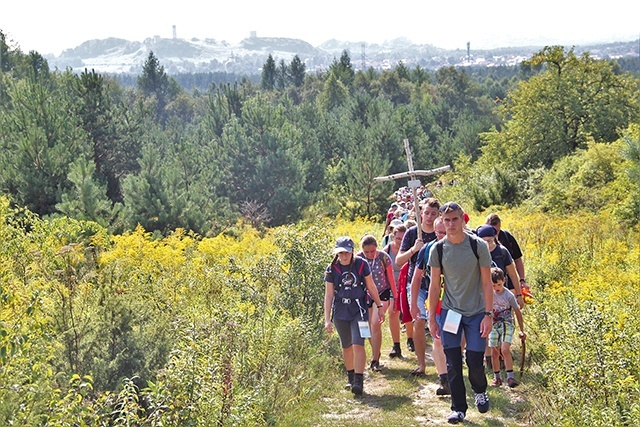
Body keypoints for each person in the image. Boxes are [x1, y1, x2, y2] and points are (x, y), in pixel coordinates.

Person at [427, 202, 493, 424]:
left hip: (476, 312)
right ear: (442, 223)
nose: (451, 224)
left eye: (455, 219)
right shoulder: (437, 249)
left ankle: (480, 390)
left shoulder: (478, 246)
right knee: (453, 361)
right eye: (446, 220)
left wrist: (488, 314)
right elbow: (434, 286)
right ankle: (458, 408)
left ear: (463, 220)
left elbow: (487, 283)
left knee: (474, 360)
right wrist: (431, 318)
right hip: (450, 312)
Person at [324, 236, 385, 396]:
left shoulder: (361, 264)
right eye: (341, 253)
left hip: (359, 309)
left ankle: (359, 380)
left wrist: (379, 306)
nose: (344, 256)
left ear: (352, 251)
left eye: (347, 252)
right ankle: (350, 376)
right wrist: (327, 319)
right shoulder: (331, 268)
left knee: (359, 343)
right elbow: (329, 295)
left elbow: (371, 286)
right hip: (340, 311)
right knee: (347, 345)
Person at [396, 197, 440, 376]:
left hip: (439, 285)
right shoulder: (413, 233)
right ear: (421, 213)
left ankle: (444, 366)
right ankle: (422, 364)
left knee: (441, 323)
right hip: (417, 284)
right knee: (419, 320)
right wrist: (414, 249)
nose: (429, 217)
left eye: (433, 214)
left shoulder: (441, 232)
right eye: (427, 213)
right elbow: (399, 261)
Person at [410, 217, 450, 395]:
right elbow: (416, 278)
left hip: (458, 302)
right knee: (438, 338)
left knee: (455, 339)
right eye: (438, 232)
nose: (441, 236)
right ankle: (445, 380)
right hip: (434, 300)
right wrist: (413, 304)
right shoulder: (427, 249)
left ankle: (452, 370)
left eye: (445, 232)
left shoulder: (462, 247)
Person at [356, 235, 397, 371]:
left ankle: (375, 361)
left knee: (375, 323)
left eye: (372, 251)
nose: (369, 255)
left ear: (376, 248)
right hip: (364, 295)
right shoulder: (358, 258)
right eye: (366, 252)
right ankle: (375, 351)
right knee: (365, 327)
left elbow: (391, 279)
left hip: (382, 293)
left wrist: (395, 298)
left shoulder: (384, 258)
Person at [488, 267, 526, 388]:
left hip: (507, 324)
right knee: (494, 351)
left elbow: (517, 312)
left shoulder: (509, 295)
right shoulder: (489, 294)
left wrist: (522, 330)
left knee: (504, 349)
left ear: (504, 280)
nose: (496, 288)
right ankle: (497, 378)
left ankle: (510, 377)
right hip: (494, 324)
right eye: (493, 285)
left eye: (499, 284)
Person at [476, 225, 525, 309]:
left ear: (494, 238)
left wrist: (519, 294)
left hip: (502, 296)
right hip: (483, 297)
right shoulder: (477, 253)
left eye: (489, 241)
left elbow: (512, 274)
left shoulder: (502, 252)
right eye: (484, 242)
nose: (487, 244)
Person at [485, 213, 530, 292]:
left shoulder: (507, 237)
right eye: (491, 231)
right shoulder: (480, 238)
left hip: (508, 283)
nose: (494, 235)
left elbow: (517, 259)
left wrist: (522, 280)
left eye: (497, 231)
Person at [383, 224, 407, 358]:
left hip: (406, 284)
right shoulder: (387, 251)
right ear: (393, 237)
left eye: (403, 239)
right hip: (392, 286)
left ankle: (412, 339)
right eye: (398, 239)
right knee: (393, 312)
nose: (401, 242)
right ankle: (396, 345)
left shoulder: (409, 250)